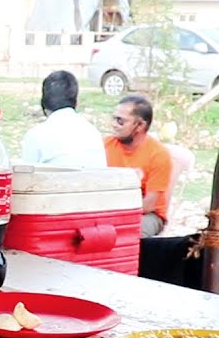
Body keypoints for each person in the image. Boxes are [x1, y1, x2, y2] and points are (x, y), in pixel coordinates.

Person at [105, 94, 173, 237]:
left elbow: (148, 205)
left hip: (147, 215)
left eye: (120, 121)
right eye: (114, 119)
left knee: (132, 234)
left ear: (140, 125)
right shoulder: (105, 145)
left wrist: (116, 215)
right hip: (109, 208)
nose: (114, 125)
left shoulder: (158, 155)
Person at [19, 70, 106, 168]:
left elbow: (27, 176)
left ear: (43, 103)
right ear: (76, 102)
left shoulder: (35, 135)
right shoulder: (93, 132)